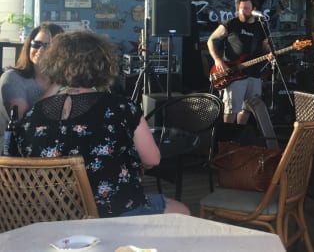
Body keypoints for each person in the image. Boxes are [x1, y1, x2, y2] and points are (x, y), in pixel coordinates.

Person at [9, 31, 189, 217]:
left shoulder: (33, 114)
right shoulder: (121, 107)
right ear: (103, 65)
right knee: (181, 211)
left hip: (51, 216)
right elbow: (152, 159)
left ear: (54, 64)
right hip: (113, 213)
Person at [207, 0, 271, 124]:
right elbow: (211, 40)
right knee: (231, 109)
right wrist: (217, 60)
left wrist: (270, 54)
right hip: (233, 72)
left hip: (254, 73)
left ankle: (239, 134)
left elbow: (266, 47)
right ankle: (228, 135)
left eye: (246, 8)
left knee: (247, 109)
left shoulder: (261, 27)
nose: (242, 11)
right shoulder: (231, 23)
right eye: (241, 8)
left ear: (254, 9)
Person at [1, 23, 64, 120]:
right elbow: (21, 120)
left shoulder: (68, 80)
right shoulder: (12, 78)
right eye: (36, 44)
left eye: (48, 46)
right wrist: (56, 86)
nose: (40, 50)